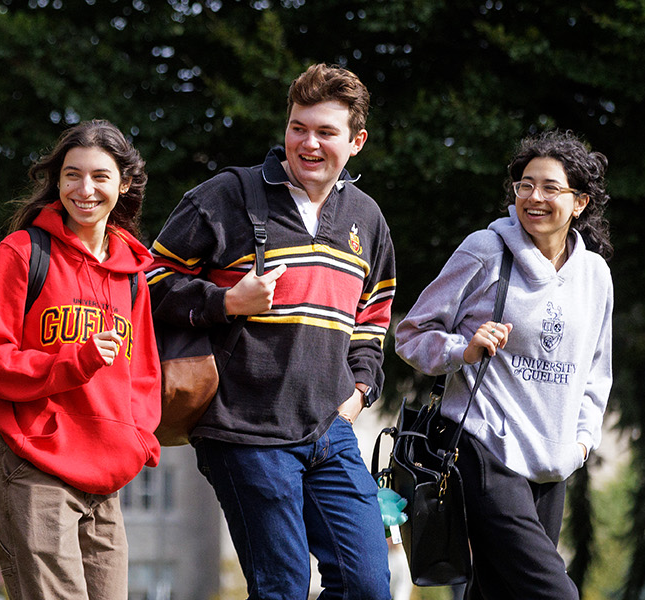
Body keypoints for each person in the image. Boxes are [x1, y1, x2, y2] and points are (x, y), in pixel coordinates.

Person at [146, 64, 395, 599]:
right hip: (244, 430)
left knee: (368, 586)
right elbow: (148, 281)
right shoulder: (227, 196)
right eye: (298, 127)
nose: (308, 143)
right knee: (281, 587)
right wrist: (226, 301)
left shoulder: (367, 219)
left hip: (331, 429)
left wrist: (359, 391)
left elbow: (374, 313)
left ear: (356, 142)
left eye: (326, 132)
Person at [394, 130, 614, 599]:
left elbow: (597, 370)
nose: (534, 197)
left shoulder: (595, 276)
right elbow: (410, 335)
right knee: (556, 594)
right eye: (525, 185)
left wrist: (581, 442)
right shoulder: (485, 250)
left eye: (550, 187)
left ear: (580, 202)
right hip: (485, 447)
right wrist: (462, 349)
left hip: (553, 463)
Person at [0, 120, 161, 600]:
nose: (85, 189)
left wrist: (138, 439)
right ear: (56, 181)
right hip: (34, 467)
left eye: (100, 176)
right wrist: (73, 362)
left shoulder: (133, 274)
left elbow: (144, 373)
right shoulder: (20, 254)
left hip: (106, 480)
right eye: (72, 175)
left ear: (125, 184)